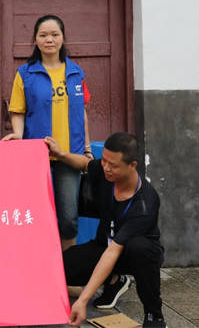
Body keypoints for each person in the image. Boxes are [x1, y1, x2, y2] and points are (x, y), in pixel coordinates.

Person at [53, 132, 166, 328]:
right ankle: (115, 282)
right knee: (58, 268)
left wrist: (82, 301)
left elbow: (114, 251)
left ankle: (155, 317)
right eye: (104, 160)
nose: (105, 167)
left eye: (112, 165)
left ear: (132, 166)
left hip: (133, 255)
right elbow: (85, 164)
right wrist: (61, 154)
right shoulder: (106, 171)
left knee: (140, 248)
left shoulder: (145, 203)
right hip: (103, 247)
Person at [3, 14, 91, 250]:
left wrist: (87, 148)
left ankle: (67, 267)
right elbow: (18, 110)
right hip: (36, 155)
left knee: (69, 219)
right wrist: (19, 134)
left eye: (54, 34)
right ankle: (38, 263)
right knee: (35, 215)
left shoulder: (76, 72)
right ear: (35, 39)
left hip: (69, 155)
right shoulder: (25, 73)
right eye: (43, 35)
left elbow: (81, 113)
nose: (49, 39)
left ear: (63, 38)